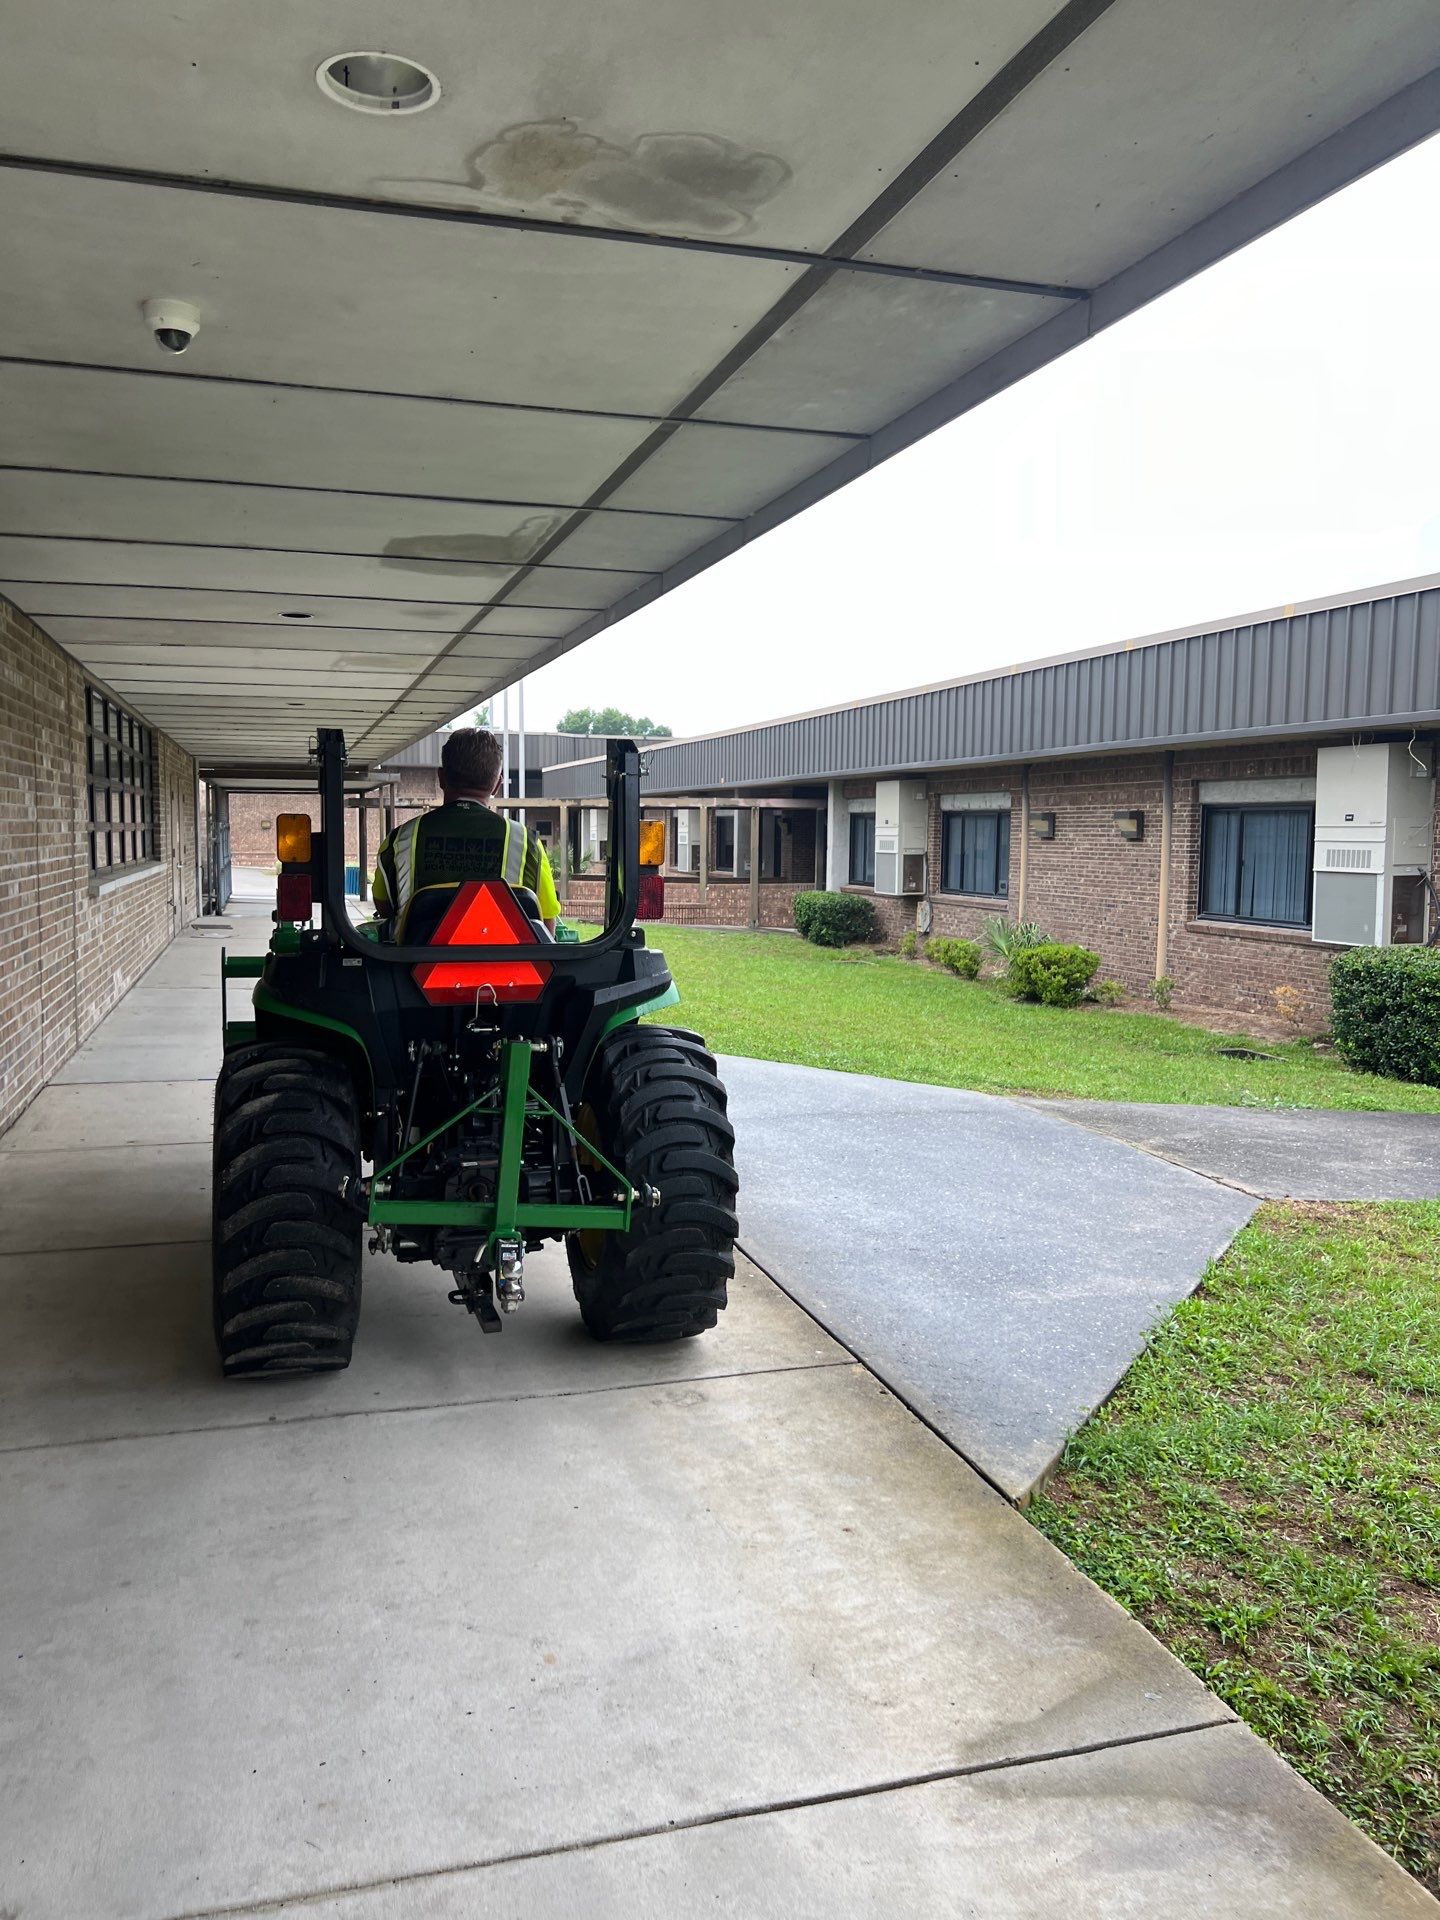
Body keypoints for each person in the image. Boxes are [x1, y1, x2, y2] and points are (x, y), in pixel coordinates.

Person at [372, 728, 559, 937]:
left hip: (415, 967)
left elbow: (384, 907)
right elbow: (546, 921)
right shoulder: (527, 844)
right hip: (506, 968)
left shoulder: (400, 840)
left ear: (441, 778)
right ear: (497, 785)